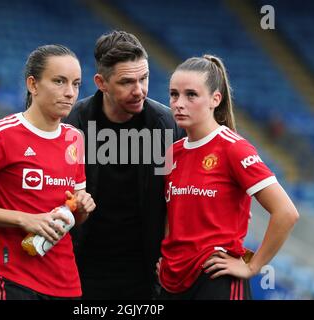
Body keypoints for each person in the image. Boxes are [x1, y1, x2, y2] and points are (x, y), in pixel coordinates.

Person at [0, 45, 96, 300]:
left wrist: (82, 206)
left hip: (67, 284)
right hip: (14, 280)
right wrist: (24, 219)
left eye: (76, 84)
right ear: (33, 84)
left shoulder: (76, 139)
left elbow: (73, 213)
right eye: (59, 81)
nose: (70, 93)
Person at [156, 55, 299, 300]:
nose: (179, 103)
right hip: (172, 283)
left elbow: (286, 213)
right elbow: (171, 214)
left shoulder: (234, 148)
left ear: (215, 99)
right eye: (174, 94)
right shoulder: (171, 153)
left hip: (215, 280)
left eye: (191, 95)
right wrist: (167, 259)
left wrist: (252, 266)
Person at [64, 30, 184, 299]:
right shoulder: (72, 124)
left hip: (146, 275)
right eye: (127, 82)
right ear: (101, 82)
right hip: (78, 270)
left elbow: (180, 197)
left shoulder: (166, 125)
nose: (139, 90)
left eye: (144, 78)